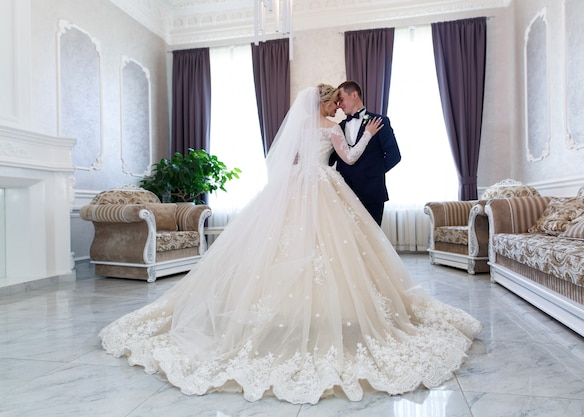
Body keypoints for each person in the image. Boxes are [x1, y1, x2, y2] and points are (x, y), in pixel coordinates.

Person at [99, 84, 481, 405]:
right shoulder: (331, 129)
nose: (336, 108)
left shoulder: (302, 131)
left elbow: (291, 160)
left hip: (297, 185)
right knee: (333, 252)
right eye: (333, 103)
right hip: (325, 187)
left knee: (283, 247)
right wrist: (364, 136)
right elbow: (347, 156)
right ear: (327, 104)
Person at [333, 80, 401, 225]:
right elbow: (330, 158)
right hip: (345, 193)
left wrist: (372, 173)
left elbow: (394, 155)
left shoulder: (380, 121)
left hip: (372, 192)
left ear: (355, 95)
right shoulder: (337, 127)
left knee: (372, 241)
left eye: (341, 99)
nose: (339, 105)